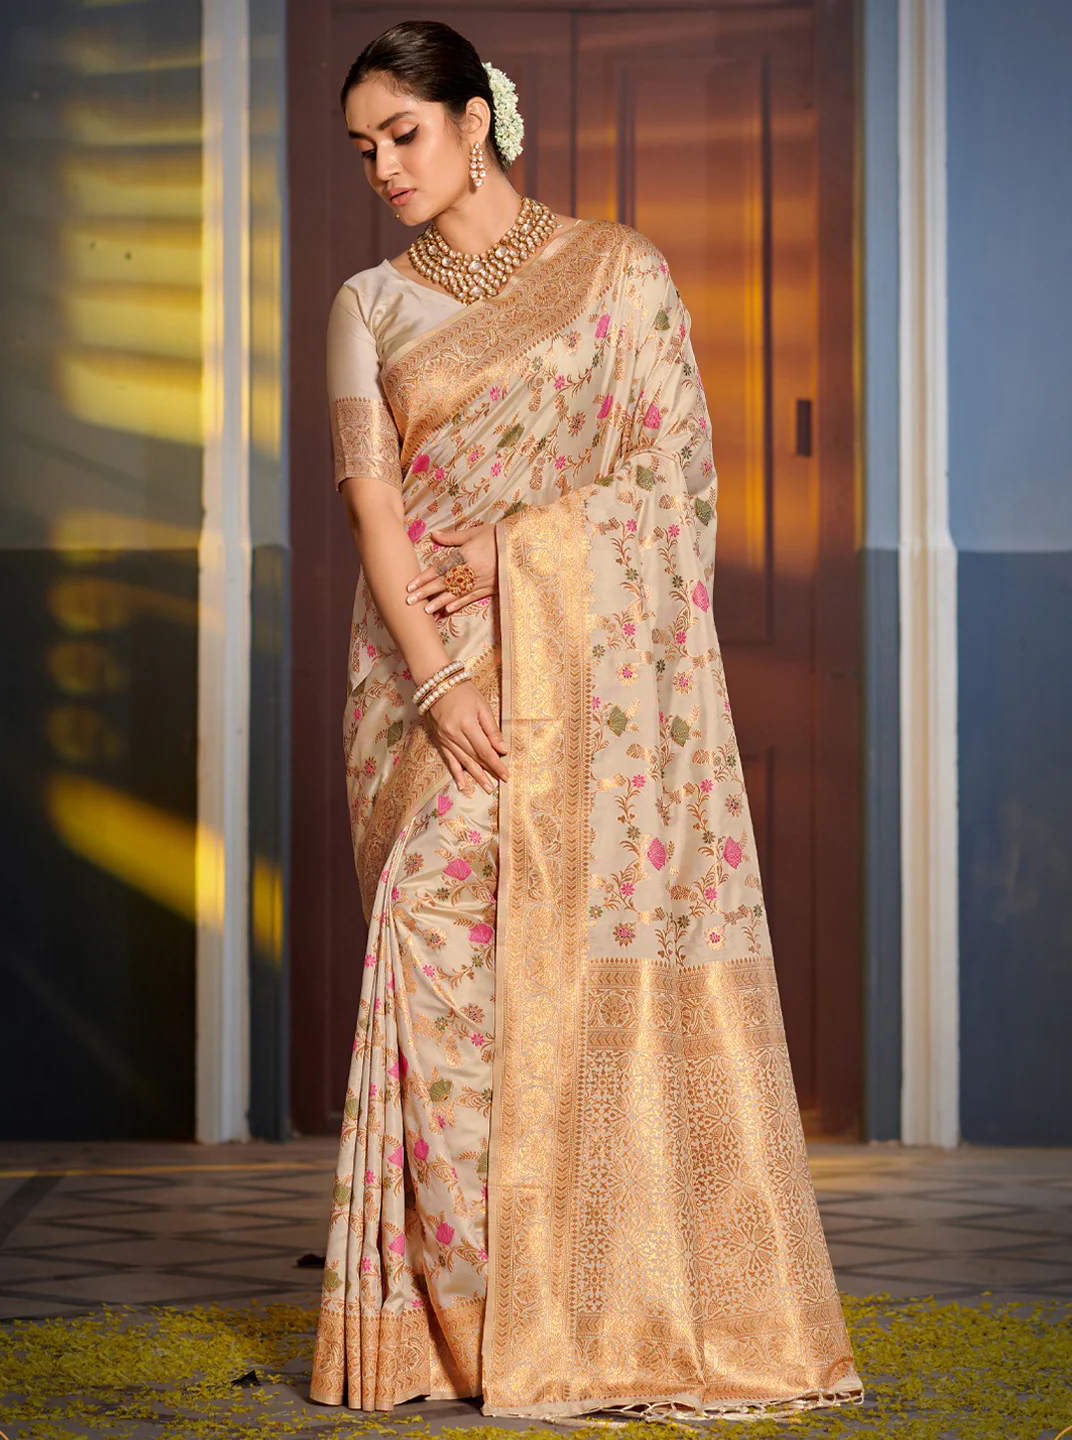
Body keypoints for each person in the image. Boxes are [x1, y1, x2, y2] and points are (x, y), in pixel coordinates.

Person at [308, 18, 865, 1425]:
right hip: (421, 680)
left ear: (473, 120)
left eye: (404, 134)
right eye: (364, 145)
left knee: (559, 969)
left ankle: (586, 1305)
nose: (383, 165)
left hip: (584, 684)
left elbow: (675, 493)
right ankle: (458, 1326)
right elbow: (375, 509)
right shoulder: (365, 306)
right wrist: (439, 686)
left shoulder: (617, 274)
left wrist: (516, 554)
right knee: (434, 945)